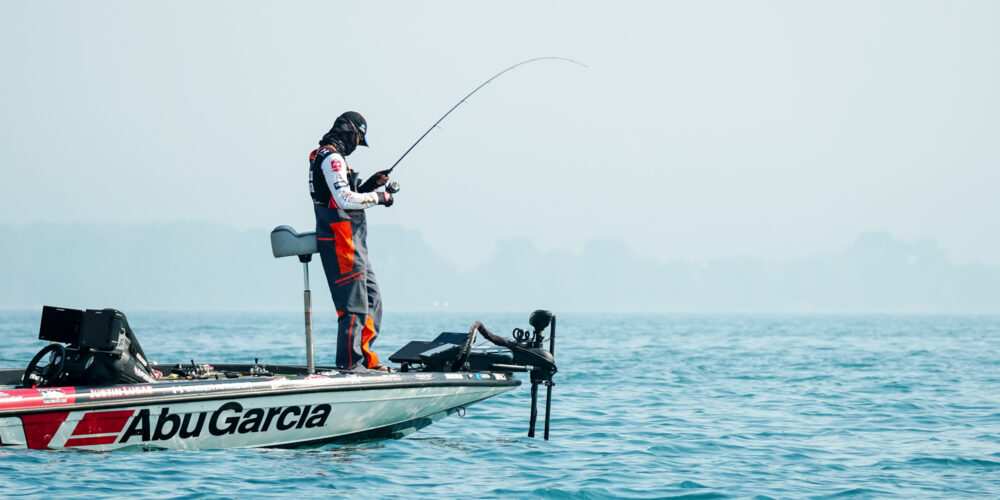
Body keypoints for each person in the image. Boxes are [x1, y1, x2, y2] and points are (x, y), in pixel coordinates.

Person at [308, 111, 394, 372]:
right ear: (351, 133)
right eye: (358, 139)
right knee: (353, 307)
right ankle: (350, 366)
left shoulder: (333, 157)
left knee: (372, 299)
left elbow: (345, 193)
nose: (357, 145)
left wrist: (369, 184)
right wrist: (380, 198)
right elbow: (343, 199)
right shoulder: (331, 157)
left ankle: (366, 360)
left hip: (354, 242)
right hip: (340, 240)